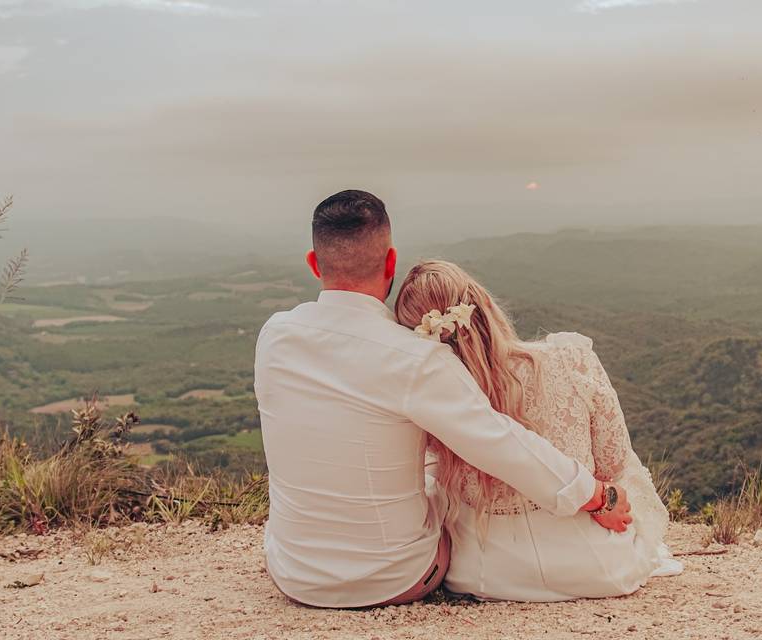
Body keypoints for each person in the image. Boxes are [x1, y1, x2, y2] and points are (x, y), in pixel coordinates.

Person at [254, 190, 632, 608]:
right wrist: (597, 495)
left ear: (313, 263)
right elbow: (500, 442)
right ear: (391, 261)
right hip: (391, 578)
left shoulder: (274, 337)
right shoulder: (414, 358)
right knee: (450, 501)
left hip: (293, 574)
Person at [394, 260, 683, 601]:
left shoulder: (427, 396)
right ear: (483, 305)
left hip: (482, 573)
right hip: (596, 566)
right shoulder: (570, 360)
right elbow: (613, 462)